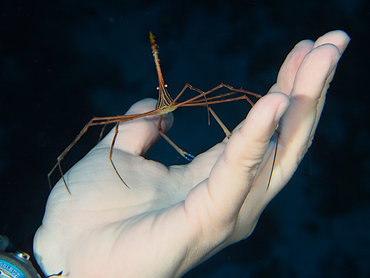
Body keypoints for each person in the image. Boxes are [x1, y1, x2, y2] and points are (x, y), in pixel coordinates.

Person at [33, 30, 350, 278]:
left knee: (227, 92)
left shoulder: (178, 98)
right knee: (98, 122)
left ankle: (254, 119)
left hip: (175, 102)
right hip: (164, 106)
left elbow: (211, 93)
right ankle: (59, 166)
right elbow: (96, 124)